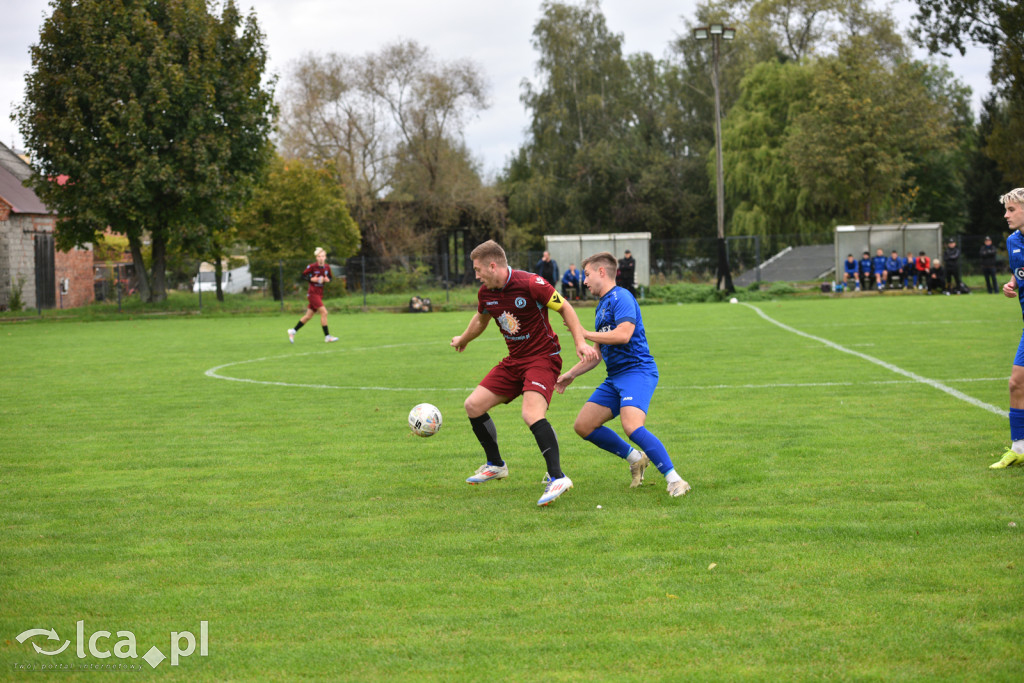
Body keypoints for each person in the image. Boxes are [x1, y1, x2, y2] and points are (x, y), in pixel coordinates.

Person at [451, 240, 598, 505]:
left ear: (492, 265)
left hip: (543, 358)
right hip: (515, 361)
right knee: (473, 405)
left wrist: (579, 342)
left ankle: (558, 477)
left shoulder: (532, 283)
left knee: (531, 413)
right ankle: (496, 465)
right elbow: (481, 319)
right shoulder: (486, 293)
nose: (476, 275)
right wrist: (463, 339)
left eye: (477, 269)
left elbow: (565, 307)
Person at [554, 252, 691, 497]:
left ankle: (676, 480)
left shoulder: (622, 297)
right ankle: (636, 458)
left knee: (631, 425)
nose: (584, 281)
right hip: (615, 376)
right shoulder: (601, 306)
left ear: (602, 272)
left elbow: (623, 334)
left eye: (587, 275)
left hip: (637, 371)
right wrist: (571, 374)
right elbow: (597, 354)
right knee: (583, 425)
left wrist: (584, 333)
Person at [991, 188, 1024, 468]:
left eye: (1011, 209)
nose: (1006, 215)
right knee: (1016, 383)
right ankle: (1019, 448)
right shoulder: (1013, 241)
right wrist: (1012, 283)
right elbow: (1018, 270)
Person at [288, 247, 338, 343]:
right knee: (324, 312)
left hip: (319, 294)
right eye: (319, 256)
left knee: (308, 316)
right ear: (316, 258)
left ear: (325, 257)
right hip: (312, 294)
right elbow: (303, 276)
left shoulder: (327, 267)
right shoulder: (311, 266)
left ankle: (293, 331)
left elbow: (330, 278)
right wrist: (311, 279)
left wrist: (328, 280)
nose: (321, 258)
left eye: (323, 256)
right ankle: (327, 336)